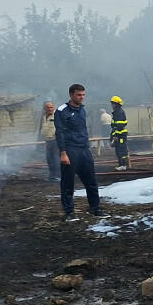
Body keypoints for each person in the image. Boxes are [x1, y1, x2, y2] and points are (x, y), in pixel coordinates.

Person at [54, 84, 102, 221]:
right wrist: (63, 153)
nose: (82, 97)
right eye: (78, 95)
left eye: (83, 95)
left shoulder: (82, 110)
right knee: (68, 182)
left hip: (84, 149)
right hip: (70, 150)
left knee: (91, 181)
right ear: (71, 95)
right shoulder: (61, 111)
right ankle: (69, 212)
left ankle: (95, 208)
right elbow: (60, 133)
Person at [36, 101, 59, 182]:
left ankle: (58, 176)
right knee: (49, 159)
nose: (50, 109)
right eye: (48, 107)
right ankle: (52, 176)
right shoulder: (44, 116)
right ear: (44, 109)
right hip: (48, 141)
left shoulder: (58, 115)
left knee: (56, 159)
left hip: (56, 140)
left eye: (51, 107)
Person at [109, 96, 129, 170]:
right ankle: (121, 165)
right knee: (118, 150)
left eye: (112, 103)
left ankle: (123, 165)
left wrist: (116, 135)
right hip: (119, 135)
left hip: (120, 135)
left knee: (121, 150)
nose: (111, 105)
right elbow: (115, 126)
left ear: (116, 104)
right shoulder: (117, 112)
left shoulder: (119, 113)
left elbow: (120, 126)